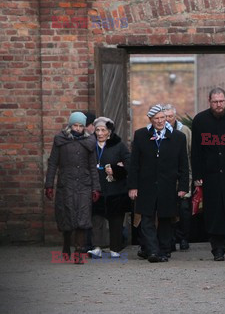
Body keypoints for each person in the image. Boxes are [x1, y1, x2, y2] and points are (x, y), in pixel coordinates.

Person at [128, 104, 189, 263]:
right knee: (146, 219)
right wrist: (133, 186)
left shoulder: (178, 137)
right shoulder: (141, 135)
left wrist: (183, 187)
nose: (160, 121)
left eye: (163, 118)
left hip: (168, 185)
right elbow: (134, 164)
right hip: (146, 185)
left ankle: (164, 249)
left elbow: (183, 164)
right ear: (151, 119)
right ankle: (153, 251)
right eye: (157, 118)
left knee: (166, 219)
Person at [191, 88, 225, 261]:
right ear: (209, 101)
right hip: (211, 174)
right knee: (214, 211)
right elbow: (196, 150)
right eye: (215, 102)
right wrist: (197, 174)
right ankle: (218, 247)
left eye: (222, 101)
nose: (219, 105)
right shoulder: (200, 120)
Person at [44, 111, 101, 264]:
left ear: (84, 127)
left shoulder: (89, 142)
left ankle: (78, 251)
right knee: (67, 216)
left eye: (80, 126)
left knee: (82, 218)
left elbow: (92, 167)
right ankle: (66, 244)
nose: (77, 128)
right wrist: (49, 184)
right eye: (75, 125)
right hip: (66, 184)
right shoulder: (60, 140)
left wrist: (96, 188)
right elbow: (53, 163)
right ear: (70, 125)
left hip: (84, 184)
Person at [88, 117, 131, 259]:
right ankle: (97, 247)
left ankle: (115, 248)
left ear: (109, 132)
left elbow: (129, 164)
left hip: (116, 189)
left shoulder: (118, 145)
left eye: (103, 130)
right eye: (97, 130)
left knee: (116, 219)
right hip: (97, 187)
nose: (100, 133)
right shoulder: (90, 145)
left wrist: (116, 170)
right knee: (96, 218)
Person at [164, 104, 192, 251]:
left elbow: (190, 152)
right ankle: (171, 238)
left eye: (170, 116)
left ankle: (183, 238)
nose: (168, 120)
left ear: (175, 117)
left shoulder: (185, 131)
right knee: (169, 208)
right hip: (167, 176)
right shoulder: (159, 132)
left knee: (184, 208)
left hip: (184, 173)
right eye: (165, 117)